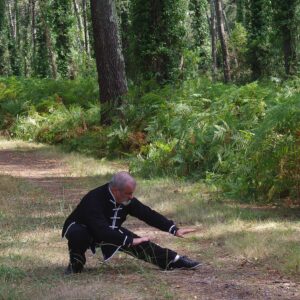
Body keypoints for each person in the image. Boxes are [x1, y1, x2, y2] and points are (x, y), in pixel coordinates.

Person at [62, 171, 201, 273]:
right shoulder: (93, 199)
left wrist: (173, 229)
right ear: (116, 191)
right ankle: (76, 264)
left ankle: (174, 260)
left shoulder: (126, 199)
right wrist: (128, 240)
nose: (131, 196)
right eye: (128, 193)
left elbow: (147, 214)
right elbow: (100, 230)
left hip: (108, 230)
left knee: (141, 243)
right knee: (77, 233)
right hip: (85, 228)